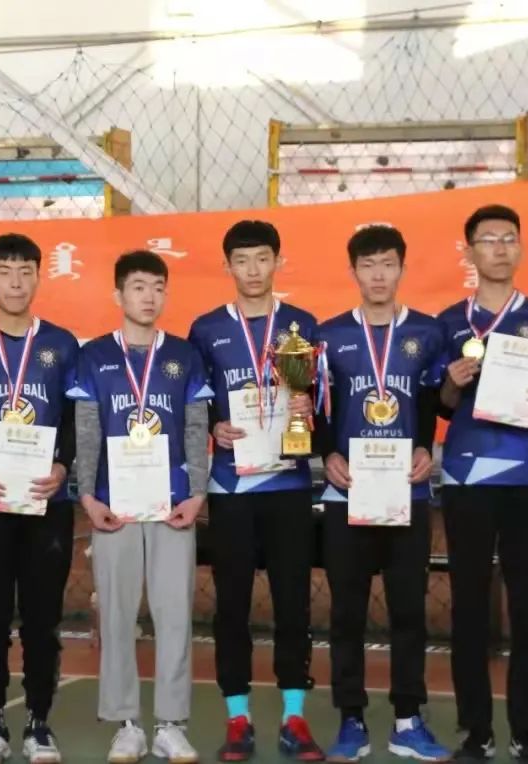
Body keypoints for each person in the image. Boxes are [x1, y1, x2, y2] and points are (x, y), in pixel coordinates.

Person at [67, 250, 213, 764]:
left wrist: (197, 493)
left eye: (157, 287)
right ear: (118, 295)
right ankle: (126, 723)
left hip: (173, 504)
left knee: (175, 615)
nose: (149, 297)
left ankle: (172, 724)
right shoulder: (93, 357)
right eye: (138, 287)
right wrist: (88, 496)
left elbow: (196, 426)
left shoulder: (184, 356)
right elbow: (87, 430)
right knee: (116, 615)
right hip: (115, 506)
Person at [314, 224, 451, 763]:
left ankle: (407, 719)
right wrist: (326, 453)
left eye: (387, 264)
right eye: (368, 265)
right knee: (346, 613)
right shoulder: (327, 336)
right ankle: (350, 718)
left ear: (402, 268)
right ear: (353, 271)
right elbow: (316, 408)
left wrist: (425, 448)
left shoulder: (427, 332)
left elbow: (431, 402)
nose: (378, 274)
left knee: (408, 613)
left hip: (405, 493)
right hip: (347, 494)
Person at [187, 220, 322, 762]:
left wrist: (308, 407)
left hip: (289, 481)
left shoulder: (301, 324)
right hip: (232, 486)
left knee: (293, 602)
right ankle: (237, 716)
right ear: (227, 266)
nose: (252, 270)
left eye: (262, 258)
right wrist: (215, 426)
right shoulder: (205, 330)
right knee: (232, 605)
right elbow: (196, 405)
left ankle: (295, 716)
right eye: (241, 260)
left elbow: (320, 399)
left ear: (278, 262)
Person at [436, 205, 528, 763]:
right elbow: (440, 406)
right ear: (469, 252)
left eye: (509, 238)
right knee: (468, 605)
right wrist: (450, 382)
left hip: (527, 476)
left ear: (521, 248)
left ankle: (525, 730)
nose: (499, 248)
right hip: (466, 476)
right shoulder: (447, 322)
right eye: (488, 239)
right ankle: (476, 730)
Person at [0, 233, 79, 764]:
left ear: (39, 277)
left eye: (26, 271)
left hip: (45, 501)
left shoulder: (62, 344)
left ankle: (38, 723)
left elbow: (75, 418)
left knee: (42, 619)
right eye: (4, 272)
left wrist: (63, 464)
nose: (15, 282)